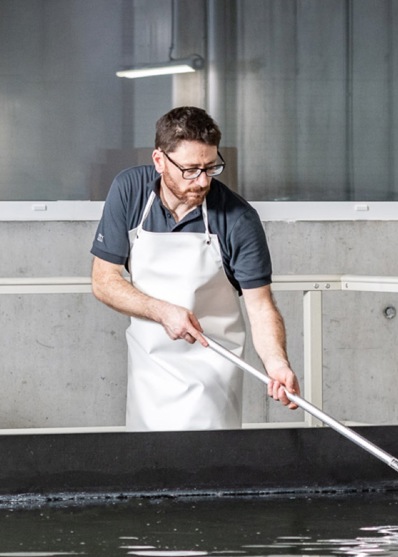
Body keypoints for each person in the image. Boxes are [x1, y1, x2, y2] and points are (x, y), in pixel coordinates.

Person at [91, 106, 299, 431]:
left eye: (210, 167)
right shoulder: (130, 191)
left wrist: (277, 364)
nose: (202, 181)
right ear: (159, 161)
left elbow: (260, 306)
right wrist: (161, 311)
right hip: (148, 375)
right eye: (190, 170)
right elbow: (103, 281)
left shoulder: (238, 219)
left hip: (212, 380)